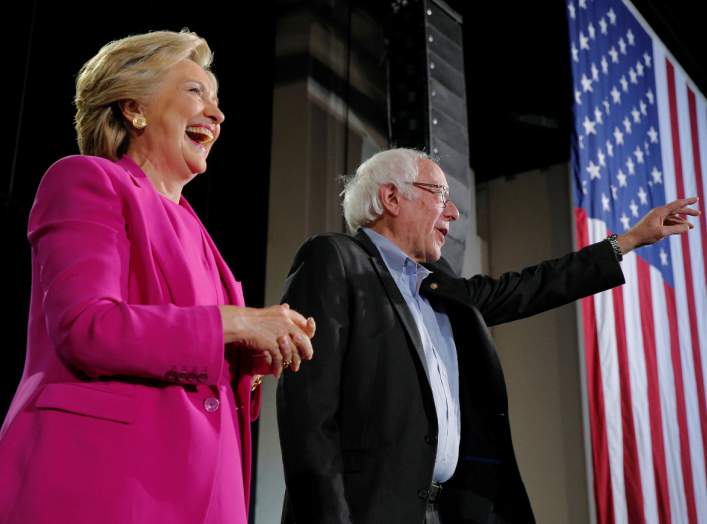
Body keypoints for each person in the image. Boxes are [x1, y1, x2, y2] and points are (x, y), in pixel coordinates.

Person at [276, 148, 699, 524]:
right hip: (363, 509)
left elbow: (527, 287)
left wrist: (628, 241)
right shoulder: (335, 259)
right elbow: (309, 413)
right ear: (391, 197)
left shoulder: (439, 284)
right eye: (440, 195)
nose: (454, 213)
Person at [0, 30, 314, 524]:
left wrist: (247, 360)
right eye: (195, 93)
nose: (217, 114)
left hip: (207, 493)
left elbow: (195, 352)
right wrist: (233, 324)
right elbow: (86, 328)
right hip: (106, 484)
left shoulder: (198, 230)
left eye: (217, 100)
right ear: (134, 107)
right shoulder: (86, 179)